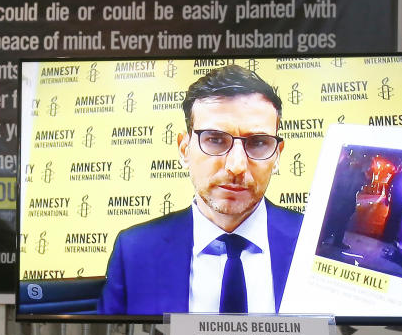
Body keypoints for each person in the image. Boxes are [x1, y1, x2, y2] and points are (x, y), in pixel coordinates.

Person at [98, 65, 302, 315]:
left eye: (258, 143)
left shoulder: (313, 245)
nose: (236, 166)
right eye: (215, 140)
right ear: (184, 150)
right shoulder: (134, 251)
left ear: (277, 156)